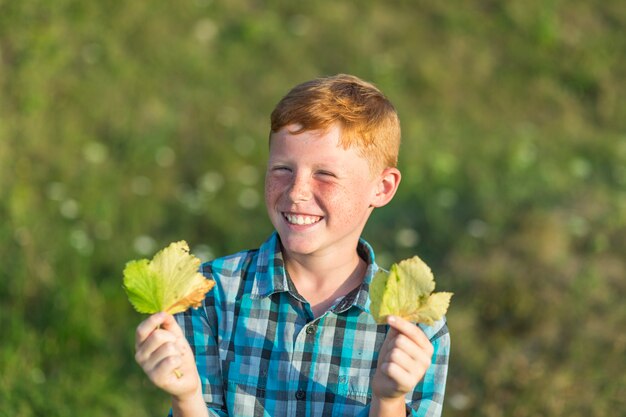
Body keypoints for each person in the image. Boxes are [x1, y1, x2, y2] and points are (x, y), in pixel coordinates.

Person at [134, 74, 450, 416]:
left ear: (383, 187)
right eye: (282, 169)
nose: (296, 191)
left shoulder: (415, 327)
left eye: (325, 174)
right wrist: (186, 397)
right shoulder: (207, 294)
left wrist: (388, 400)